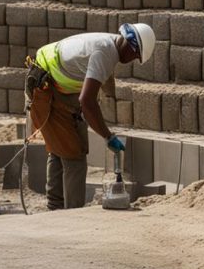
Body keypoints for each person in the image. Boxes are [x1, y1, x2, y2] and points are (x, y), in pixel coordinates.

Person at [24, 23, 156, 210]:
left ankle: (55, 208)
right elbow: (87, 102)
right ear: (131, 47)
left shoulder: (110, 43)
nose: (133, 59)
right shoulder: (105, 52)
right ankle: (72, 214)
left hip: (57, 84)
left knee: (61, 147)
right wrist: (108, 136)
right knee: (73, 155)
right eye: (136, 56)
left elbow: (97, 87)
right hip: (44, 85)